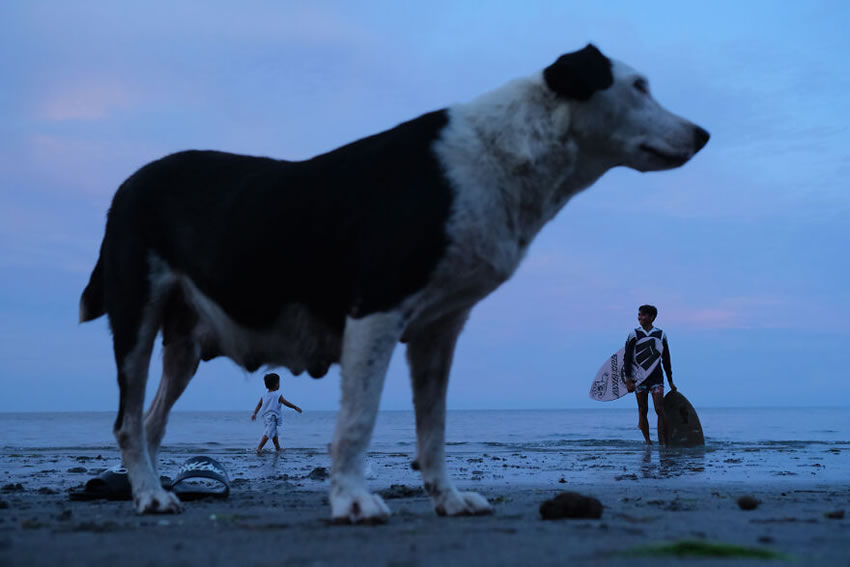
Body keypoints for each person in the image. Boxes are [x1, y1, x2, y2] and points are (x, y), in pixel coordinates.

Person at [623, 305, 676, 446]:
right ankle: (648, 442)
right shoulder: (634, 334)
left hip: (657, 378)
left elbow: (666, 358)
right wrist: (628, 379)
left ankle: (663, 441)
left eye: (643, 315)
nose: (639, 317)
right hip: (639, 379)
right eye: (639, 315)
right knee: (643, 410)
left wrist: (670, 380)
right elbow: (627, 358)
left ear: (652, 317)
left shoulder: (660, 334)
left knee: (659, 408)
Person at [251, 372, 302, 454]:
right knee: (268, 433)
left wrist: (254, 413)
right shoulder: (277, 395)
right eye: (278, 383)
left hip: (266, 417)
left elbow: (259, 404)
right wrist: (295, 407)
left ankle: (278, 448)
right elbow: (286, 402)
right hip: (272, 417)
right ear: (275, 385)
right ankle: (259, 448)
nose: (279, 384)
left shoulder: (264, 395)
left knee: (274, 433)